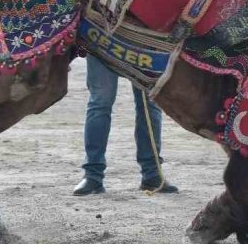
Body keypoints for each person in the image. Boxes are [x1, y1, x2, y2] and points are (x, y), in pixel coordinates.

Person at [71, 55, 177, 195]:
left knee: (150, 105)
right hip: (102, 43)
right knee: (100, 103)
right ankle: (92, 175)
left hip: (145, 42)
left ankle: (152, 174)